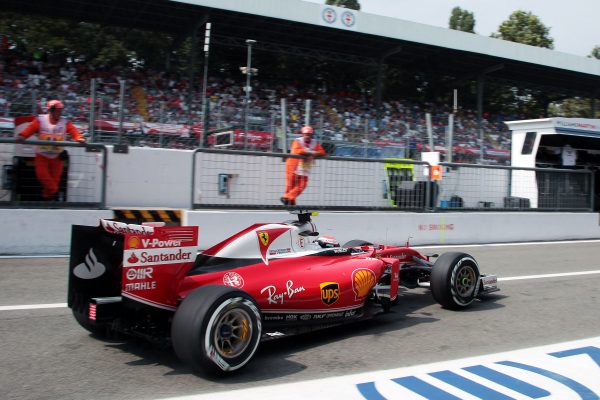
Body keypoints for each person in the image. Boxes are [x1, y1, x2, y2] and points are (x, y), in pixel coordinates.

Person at [16, 99, 86, 200]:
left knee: (55, 180)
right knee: (42, 176)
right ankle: (54, 193)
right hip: (42, 155)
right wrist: (22, 135)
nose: (59, 113)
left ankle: (47, 199)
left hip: (57, 157)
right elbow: (30, 129)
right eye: (57, 111)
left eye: (60, 110)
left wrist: (79, 138)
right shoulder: (40, 120)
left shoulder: (65, 122)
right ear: (50, 110)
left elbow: (73, 131)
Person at [281, 125, 325, 206]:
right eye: (305, 134)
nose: (307, 136)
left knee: (302, 185)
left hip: (304, 166)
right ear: (302, 134)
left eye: (309, 134)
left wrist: (313, 153)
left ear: (311, 135)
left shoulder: (315, 142)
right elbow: (297, 151)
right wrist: (311, 152)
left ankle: (287, 197)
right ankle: (291, 202)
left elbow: (322, 152)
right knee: (290, 185)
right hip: (292, 165)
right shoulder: (297, 141)